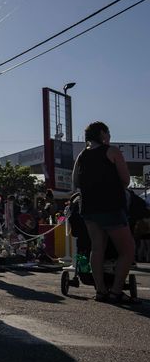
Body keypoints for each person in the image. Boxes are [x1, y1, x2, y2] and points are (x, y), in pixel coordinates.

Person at [73, 121, 136, 303]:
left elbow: (76, 180)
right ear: (102, 133)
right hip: (110, 206)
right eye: (108, 133)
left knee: (97, 247)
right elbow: (126, 180)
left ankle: (100, 290)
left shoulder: (82, 155)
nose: (109, 137)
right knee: (127, 249)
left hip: (89, 208)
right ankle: (116, 290)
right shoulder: (112, 151)